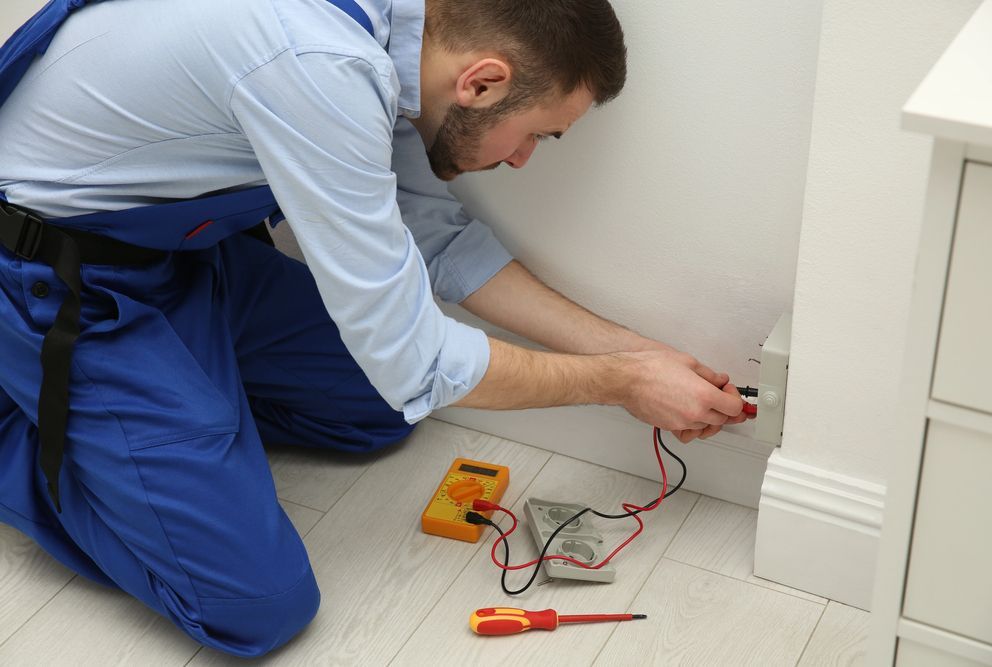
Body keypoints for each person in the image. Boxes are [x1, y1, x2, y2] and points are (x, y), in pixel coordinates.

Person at [0, 0, 747, 657]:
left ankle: (167, 419)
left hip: (184, 253)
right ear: (482, 81)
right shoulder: (318, 65)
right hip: (58, 275)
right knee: (255, 606)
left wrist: (638, 353)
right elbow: (415, 363)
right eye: (538, 135)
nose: (521, 159)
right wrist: (619, 385)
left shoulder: (392, 33)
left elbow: (438, 239)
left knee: (373, 411)